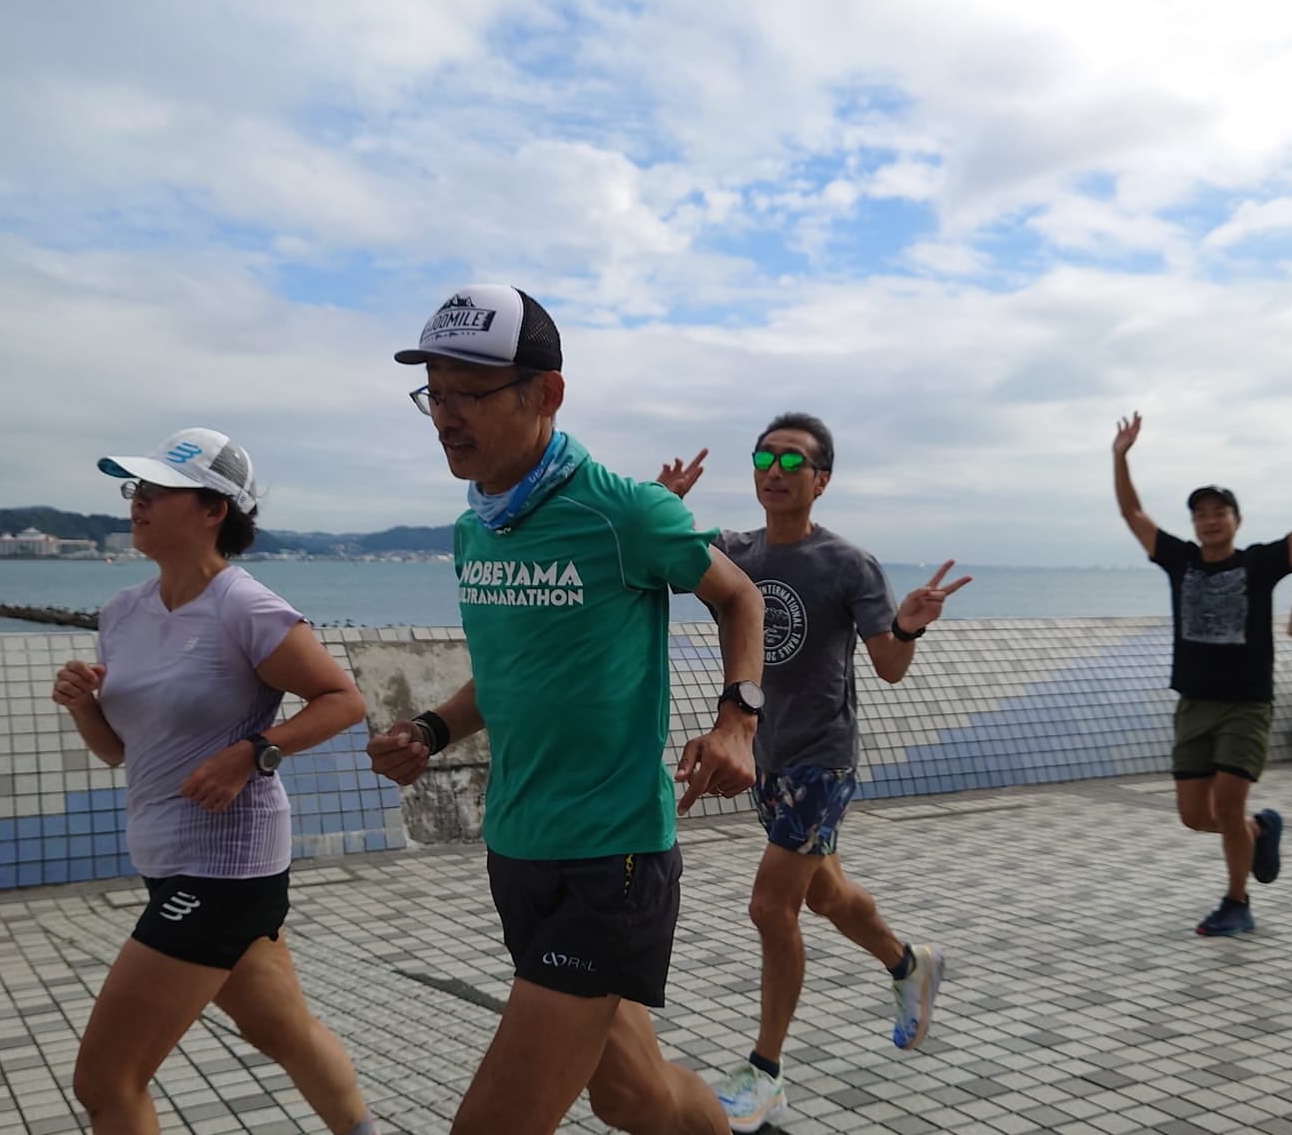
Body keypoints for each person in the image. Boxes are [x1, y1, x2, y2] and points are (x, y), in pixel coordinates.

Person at [367, 285, 766, 1135]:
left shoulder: (625, 512)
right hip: (517, 847)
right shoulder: (475, 530)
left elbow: (740, 597)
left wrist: (738, 720)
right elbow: (506, 677)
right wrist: (432, 730)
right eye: (434, 393)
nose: (446, 415)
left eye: (470, 393)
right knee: (634, 1097)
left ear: (545, 393)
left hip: (609, 857)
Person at [53, 428, 380, 1135]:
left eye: (157, 490)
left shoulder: (246, 607)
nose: (138, 501)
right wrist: (83, 705)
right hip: (164, 858)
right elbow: (119, 752)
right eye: (136, 488)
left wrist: (252, 753)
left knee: (107, 1080)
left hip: (226, 866)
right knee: (281, 1031)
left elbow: (343, 700)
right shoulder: (121, 613)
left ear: (213, 510)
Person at [656, 416, 966, 1133]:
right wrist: (663, 506)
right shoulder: (733, 551)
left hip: (822, 761)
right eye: (764, 457)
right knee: (826, 894)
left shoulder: (848, 564)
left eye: (793, 461)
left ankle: (764, 1074)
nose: (775, 469)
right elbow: (662, 559)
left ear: (821, 480)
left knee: (771, 908)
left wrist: (909, 624)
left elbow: (888, 666)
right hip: (765, 758)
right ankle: (910, 964)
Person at [1112, 413, 1292, 937]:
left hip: (1246, 704)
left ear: (1237, 519)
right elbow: (1132, 512)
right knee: (1195, 816)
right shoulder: (1180, 560)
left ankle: (1237, 902)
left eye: (1219, 512)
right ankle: (1259, 832)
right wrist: (1121, 457)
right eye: (1201, 514)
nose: (1210, 521)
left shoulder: (1260, 563)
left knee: (1228, 807)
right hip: (1194, 703)